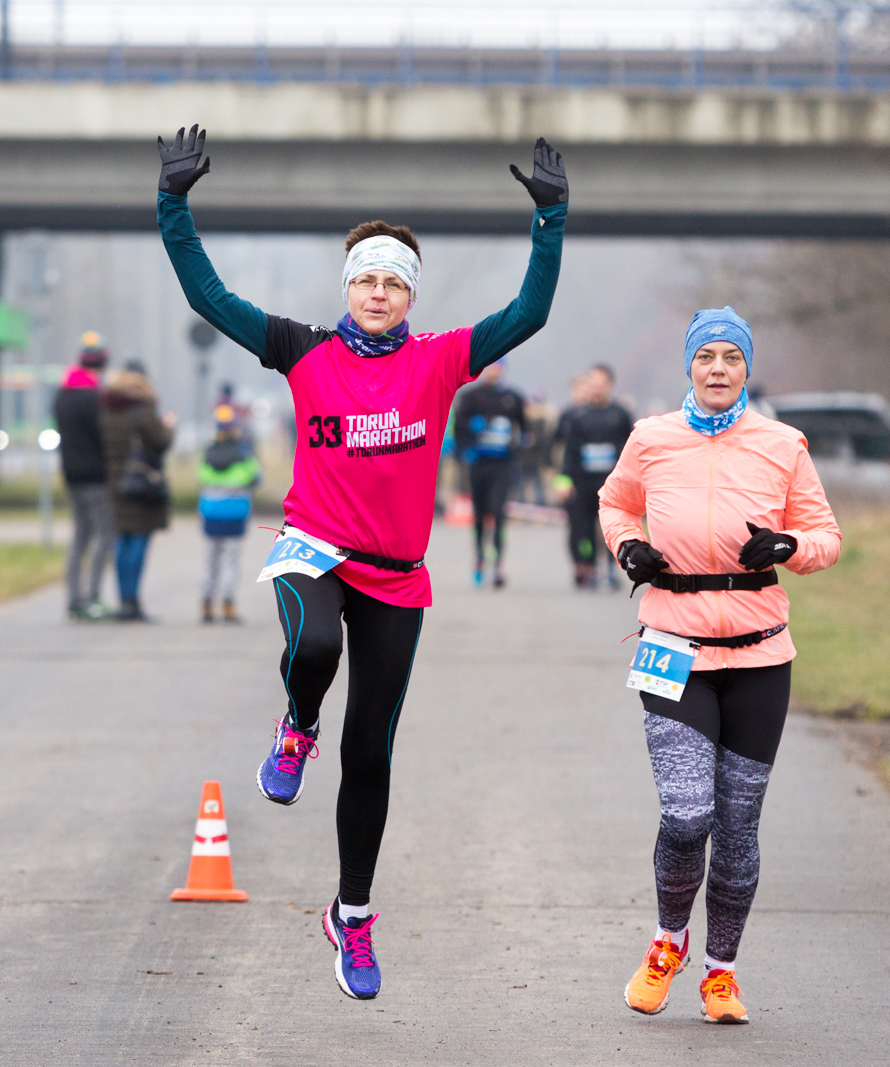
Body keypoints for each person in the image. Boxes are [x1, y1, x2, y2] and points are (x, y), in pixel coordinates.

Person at [156, 124, 567, 1000]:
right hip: (314, 547)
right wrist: (173, 206)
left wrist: (551, 222)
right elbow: (209, 298)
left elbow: (528, 316)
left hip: (397, 573)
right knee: (312, 651)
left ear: (408, 295)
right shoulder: (303, 350)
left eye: (393, 282)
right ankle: (294, 724)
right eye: (366, 279)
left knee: (371, 755)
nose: (378, 292)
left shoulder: (440, 360)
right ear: (347, 287)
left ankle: (351, 915)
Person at [598, 307, 840, 1024]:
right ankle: (668, 941)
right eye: (706, 356)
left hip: (761, 651)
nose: (717, 369)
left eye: (731, 357)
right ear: (688, 366)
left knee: (736, 826)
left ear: (745, 369)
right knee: (686, 812)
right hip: (672, 642)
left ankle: (722, 973)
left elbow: (826, 535)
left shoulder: (781, 442)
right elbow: (614, 503)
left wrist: (790, 546)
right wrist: (627, 547)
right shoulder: (650, 438)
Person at [100, 359, 176, 622]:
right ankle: (132, 601)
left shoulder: (106, 405)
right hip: (141, 484)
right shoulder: (143, 409)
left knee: (122, 540)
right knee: (139, 541)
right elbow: (161, 442)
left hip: (114, 483)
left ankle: (124, 600)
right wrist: (168, 425)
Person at [553, 363, 634, 590]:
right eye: (593, 384)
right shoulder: (578, 415)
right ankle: (589, 566)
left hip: (611, 482)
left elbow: (632, 448)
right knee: (584, 528)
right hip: (583, 482)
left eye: (602, 384)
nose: (597, 388)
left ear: (610, 385)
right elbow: (569, 451)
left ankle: (610, 567)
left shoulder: (620, 415)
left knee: (610, 528)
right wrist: (564, 480)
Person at [54, 332, 114, 619]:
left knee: (80, 536)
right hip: (96, 477)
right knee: (104, 534)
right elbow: (102, 437)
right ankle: (92, 597)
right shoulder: (94, 398)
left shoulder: (62, 396)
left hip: (71, 475)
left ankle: (73, 597)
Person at [453, 359, 528, 588]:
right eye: (490, 366)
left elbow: (524, 428)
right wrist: (466, 448)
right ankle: (479, 561)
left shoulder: (513, 397)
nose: (494, 370)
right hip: (478, 464)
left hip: (502, 465)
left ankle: (497, 564)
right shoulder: (470, 396)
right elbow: (459, 427)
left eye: (499, 366)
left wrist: (520, 443)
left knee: (498, 512)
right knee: (479, 515)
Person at [198, 405, 262, 623]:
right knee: (231, 560)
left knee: (210, 559)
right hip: (235, 512)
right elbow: (256, 477)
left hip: (211, 513)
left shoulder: (208, 452)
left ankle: (206, 602)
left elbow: (202, 476)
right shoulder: (243, 453)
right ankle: (227, 603)